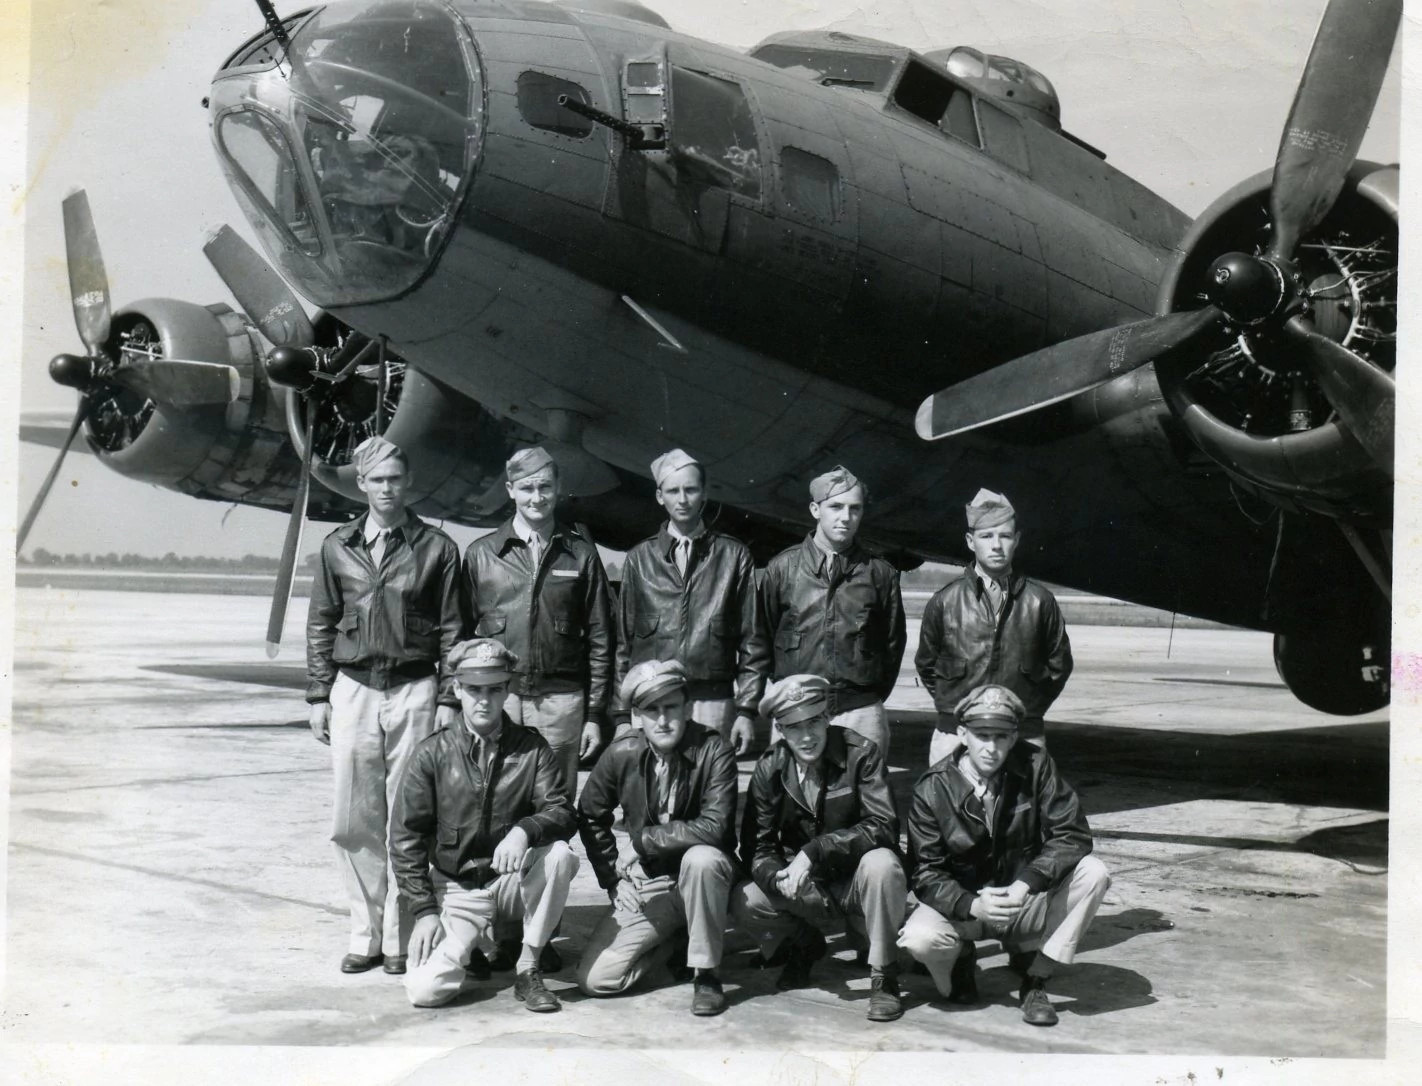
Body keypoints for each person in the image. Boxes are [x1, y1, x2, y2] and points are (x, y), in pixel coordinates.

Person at [305, 435, 462, 976]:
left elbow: (453, 629)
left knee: (409, 814)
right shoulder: (337, 546)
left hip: (415, 687)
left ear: (408, 481)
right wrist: (319, 694)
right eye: (377, 480)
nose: (388, 488)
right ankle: (364, 933)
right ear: (361, 484)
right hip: (354, 689)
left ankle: (402, 937)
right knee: (353, 818)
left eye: (396, 478)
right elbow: (321, 623)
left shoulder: (437, 548)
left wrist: (449, 697)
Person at [897, 685, 1110, 1027]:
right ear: (963, 734)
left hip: (1020, 900)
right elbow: (925, 872)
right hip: (964, 907)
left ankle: (1036, 979)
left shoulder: (1036, 766)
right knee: (920, 938)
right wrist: (971, 905)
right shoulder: (932, 787)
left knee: (1093, 872)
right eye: (982, 735)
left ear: (1013, 738)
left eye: (1001, 736)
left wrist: (1026, 884)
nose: (991, 748)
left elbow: (1072, 834)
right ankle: (960, 961)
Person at [391, 638, 580, 1011]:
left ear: (507, 690)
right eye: (474, 689)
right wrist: (425, 911)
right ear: (457, 689)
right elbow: (405, 839)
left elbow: (561, 810)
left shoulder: (532, 749)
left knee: (560, 855)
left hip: (507, 882)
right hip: (457, 888)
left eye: (494, 690)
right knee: (425, 991)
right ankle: (474, 943)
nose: (484, 700)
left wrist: (524, 830)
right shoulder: (431, 753)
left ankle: (528, 967)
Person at [733, 675, 906, 1022]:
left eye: (813, 722)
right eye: (794, 727)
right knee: (745, 899)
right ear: (780, 729)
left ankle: (884, 974)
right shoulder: (770, 766)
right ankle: (804, 943)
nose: (807, 736)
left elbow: (883, 825)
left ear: (828, 716)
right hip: (806, 888)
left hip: (857, 884)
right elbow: (757, 846)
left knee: (883, 863)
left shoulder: (861, 753)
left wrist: (815, 851)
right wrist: (778, 878)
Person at [576, 660, 739, 1016]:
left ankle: (706, 974)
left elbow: (715, 826)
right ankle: (675, 939)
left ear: (688, 708)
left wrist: (641, 842)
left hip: (708, 878)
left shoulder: (715, 749)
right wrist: (613, 880)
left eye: (671, 707)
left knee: (701, 859)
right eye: (652, 710)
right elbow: (589, 814)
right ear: (637, 716)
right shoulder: (621, 752)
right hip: (653, 880)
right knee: (597, 980)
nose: (662, 720)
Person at [460, 445, 614, 792]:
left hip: (561, 703)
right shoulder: (481, 555)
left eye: (545, 487)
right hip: (499, 699)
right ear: (510, 490)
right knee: (496, 798)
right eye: (527, 488)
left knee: (556, 803)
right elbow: (459, 639)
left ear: (558, 488)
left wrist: (594, 714)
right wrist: (463, 701)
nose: (537, 497)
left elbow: (601, 640)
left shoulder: (582, 555)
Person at [614, 448, 765, 754]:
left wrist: (746, 710)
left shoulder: (734, 556)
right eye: (673, 491)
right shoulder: (639, 559)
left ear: (704, 494)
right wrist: (620, 714)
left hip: (712, 703)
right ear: (660, 497)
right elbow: (623, 643)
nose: (682, 499)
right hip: (652, 700)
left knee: (711, 778)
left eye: (691, 489)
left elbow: (753, 640)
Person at [755, 466, 906, 758]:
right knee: (794, 786)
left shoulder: (880, 573)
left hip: (860, 712)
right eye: (836, 507)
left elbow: (892, 644)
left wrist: (865, 696)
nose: (846, 517)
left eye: (854, 508)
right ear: (815, 510)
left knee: (865, 786)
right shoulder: (782, 569)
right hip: (796, 709)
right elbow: (762, 637)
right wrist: (789, 690)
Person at [915, 488, 1072, 761]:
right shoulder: (944, 601)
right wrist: (955, 708)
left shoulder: (1040, 601)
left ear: (1017, 540)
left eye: (1005, 536)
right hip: (956, 734)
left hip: (1022, 735)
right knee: (949, 789)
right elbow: (926, 664)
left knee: (1025, 790)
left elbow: (1060, 665)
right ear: (970, 541)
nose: (996, 545)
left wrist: (1028, 711)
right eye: (987, 536)